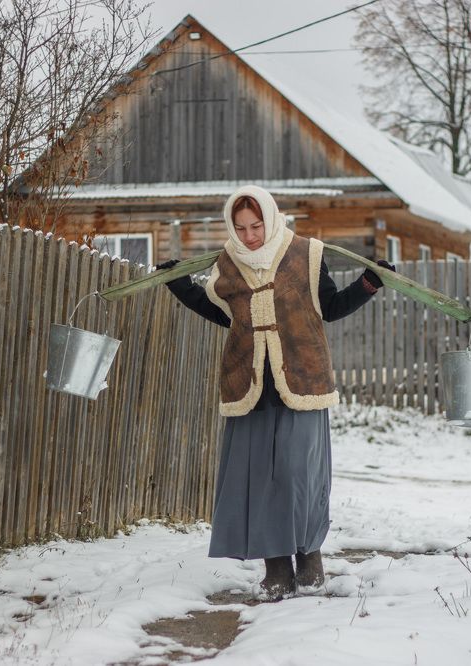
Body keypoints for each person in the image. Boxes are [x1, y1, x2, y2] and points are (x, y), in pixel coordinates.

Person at [157, 185, 393, 600]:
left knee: (298, 474)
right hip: (250, 385)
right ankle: (277, 569)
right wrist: (180, 286)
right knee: (260, 478)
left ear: (271, 216)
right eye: (240, 227)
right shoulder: (228, 264)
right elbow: (221, 312)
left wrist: (368, 284)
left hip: (301, 379)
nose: (249, 235)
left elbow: (331, 306)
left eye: (256, 224)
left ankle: (311, 561)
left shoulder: (306, 253)